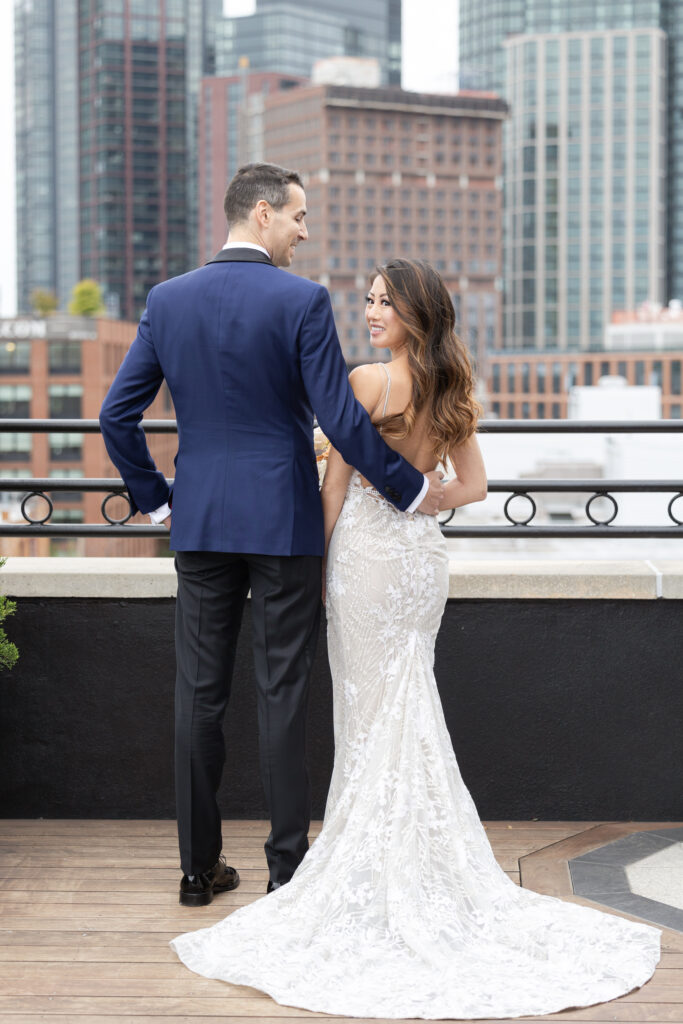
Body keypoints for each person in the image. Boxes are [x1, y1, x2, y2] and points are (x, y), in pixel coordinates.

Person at [170, 259, 660, 1019]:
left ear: (414, 315)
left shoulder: (365, 384)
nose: (368, 313)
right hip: (421, 562)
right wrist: (421, 501)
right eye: (367, 301)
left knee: (368, 712)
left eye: (383, 304)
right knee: (408, 698)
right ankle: (419, 858)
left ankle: (367, 856)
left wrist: (321, 558)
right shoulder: (455, 389)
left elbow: (332, 491)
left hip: (366, 557)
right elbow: (472, 489)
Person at [99, 165, 445, 908]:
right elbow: (343, 421)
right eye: (298, 216)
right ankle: (286, 870)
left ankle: (197, 870)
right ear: (262, 213)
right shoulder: (301, 300)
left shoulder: (167, 299)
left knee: (197, 695)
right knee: (282, 693)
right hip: (283, 522)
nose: (304, 231)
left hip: (199, 523)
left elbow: (114, 417)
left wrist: (159, 504)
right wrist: (410, 487)